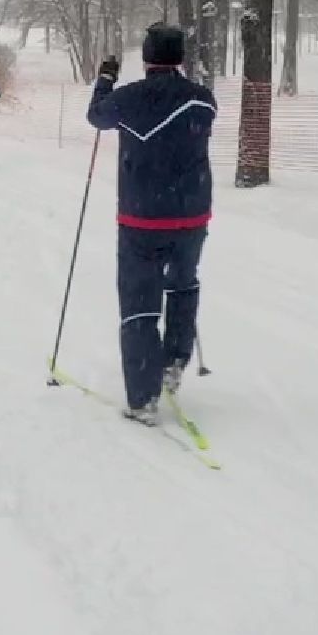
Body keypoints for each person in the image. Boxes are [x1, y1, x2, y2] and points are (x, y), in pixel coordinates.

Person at [86, 24, 216, 425]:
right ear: (179, 57)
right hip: (192, 214)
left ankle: (143, 397)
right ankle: (174, 360)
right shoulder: (202, 100)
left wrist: (105, 79)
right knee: (182, 284)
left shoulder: (131, 98)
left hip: (143, 216)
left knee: (140, 300)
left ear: (146, 58)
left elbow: (97, 116)